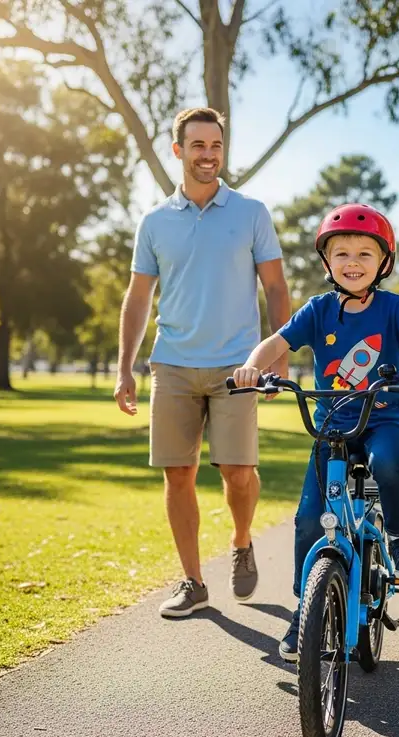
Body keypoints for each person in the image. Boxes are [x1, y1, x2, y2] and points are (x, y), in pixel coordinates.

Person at [233, 203, 399, 661]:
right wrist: (252, 368)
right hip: (331, 424)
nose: (353, 262)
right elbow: (277, 343)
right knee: (309, 518)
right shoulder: (318, 310)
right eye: (342, 252)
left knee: (387, 462)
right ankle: (304, 608)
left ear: (384, 263)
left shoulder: (394, 308)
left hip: (382, 417)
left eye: (365, 254)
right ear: (327, 262)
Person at [114, 107, 291, 618]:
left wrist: (276, 356)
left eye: (216, 145)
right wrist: (125, 366)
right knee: (178, 475)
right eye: (198, 146)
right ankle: (192, 581)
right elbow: (138, 297)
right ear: (179, 151)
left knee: (238, 472)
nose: (208, 155)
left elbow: (275, 286)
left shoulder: (251, 212)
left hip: (240, 366)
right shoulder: (154, 222)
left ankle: (240, 541)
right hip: (172, 365)